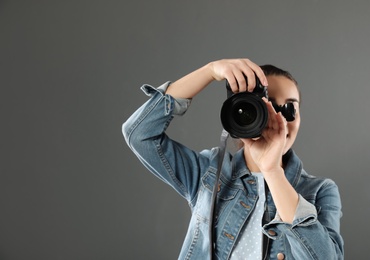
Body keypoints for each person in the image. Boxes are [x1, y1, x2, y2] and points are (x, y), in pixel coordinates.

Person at [122, 59, 344, 259]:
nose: (280, 119)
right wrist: (209, 71)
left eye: (290, 108)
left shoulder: (320, 190)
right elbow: (140, 134)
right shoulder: (209, 173)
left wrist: (272, 170)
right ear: (245, 112)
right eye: (269, 106)